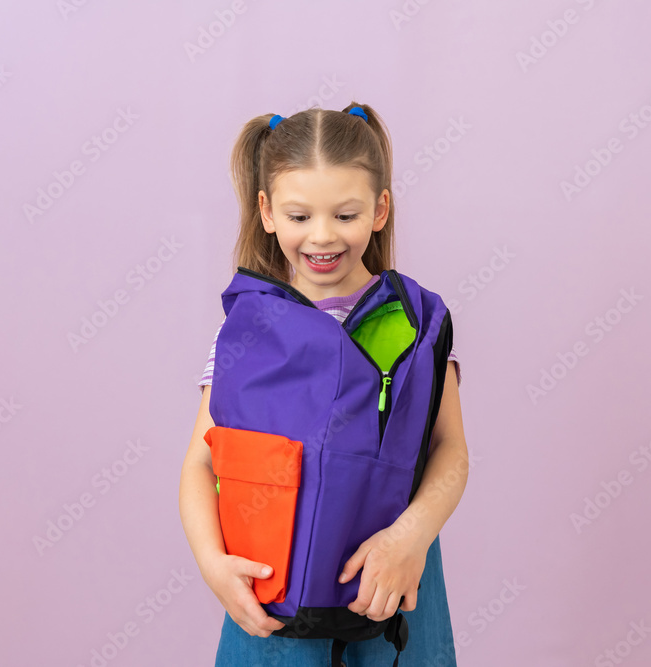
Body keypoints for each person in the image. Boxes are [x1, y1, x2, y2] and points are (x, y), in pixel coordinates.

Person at [179, 103, 469, 666]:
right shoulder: (248, 330)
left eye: (344, 215)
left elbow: (450, 450)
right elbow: (200, 462)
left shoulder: (415, 322)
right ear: (266, 212)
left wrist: (410, 538)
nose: (322, 236)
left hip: (388, 586)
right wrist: (214, 565)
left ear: (380, 209)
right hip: (274, 600)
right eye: (299, 215)